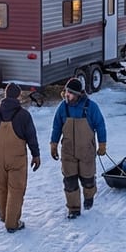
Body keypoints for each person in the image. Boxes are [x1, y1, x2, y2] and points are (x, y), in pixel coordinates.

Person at [0, 83, 42, 234]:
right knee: (16, 189)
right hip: (16, 158)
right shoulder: (23, 115)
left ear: (6, 95)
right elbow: (31, 137)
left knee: (2, 186)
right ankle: (12, 223)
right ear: (18, 96)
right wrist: (36, 155)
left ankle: (4, 215)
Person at [50, 78, 107, 219]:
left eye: (71, 93)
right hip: (68, 151)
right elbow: (57, 126)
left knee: (87, 179)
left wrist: (102, 144)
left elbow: (100, 125)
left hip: (86, 151)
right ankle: (74, 209)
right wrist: (53, 144)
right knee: (70, 181)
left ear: (79, 94)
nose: (67, 95)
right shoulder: (63, 107)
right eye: (67, 92)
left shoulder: (91, 107)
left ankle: (89, 197)